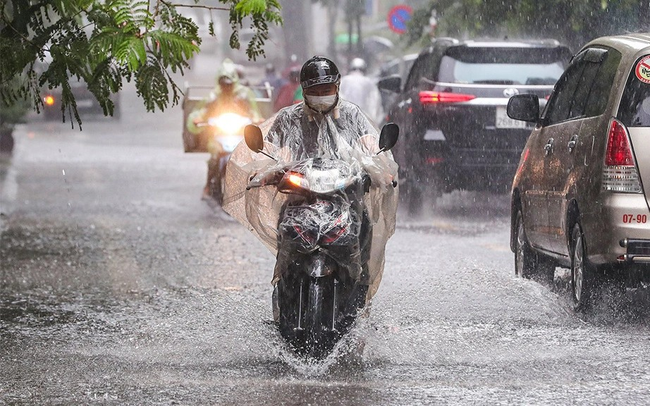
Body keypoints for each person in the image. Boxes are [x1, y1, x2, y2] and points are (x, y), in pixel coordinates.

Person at [223, 55, 399, 305]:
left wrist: (380, 169)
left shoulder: (351, 115)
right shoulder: (289, 118)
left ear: (337, 87)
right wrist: (263, 171)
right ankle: (285, 283)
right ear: (304, 90)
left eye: (326, 89)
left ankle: (360, 285)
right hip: (301, 190)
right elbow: (272, 150)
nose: (321, 94)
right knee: (287, 226)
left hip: (345, 191)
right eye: (315, 90)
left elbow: (369, 143)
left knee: (365, 223)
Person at [187, 58, 262, 200]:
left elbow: (254, 113)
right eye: (223, 84)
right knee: (214, 158)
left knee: (252, 159)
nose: (226, 87)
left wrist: (257, 120)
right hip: (219, 136)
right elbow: (202, 112)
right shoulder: (213, 97)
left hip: (240, 135)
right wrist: (198, 119)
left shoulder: (244, 95)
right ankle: (208, 184)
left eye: (229, 84)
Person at [339, 57, 384, 124]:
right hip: (364, 120)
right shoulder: (369, 82)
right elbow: (375, 102)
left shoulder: (343, 80)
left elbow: (339, 98)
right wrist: (374, 121)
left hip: (346, 119)